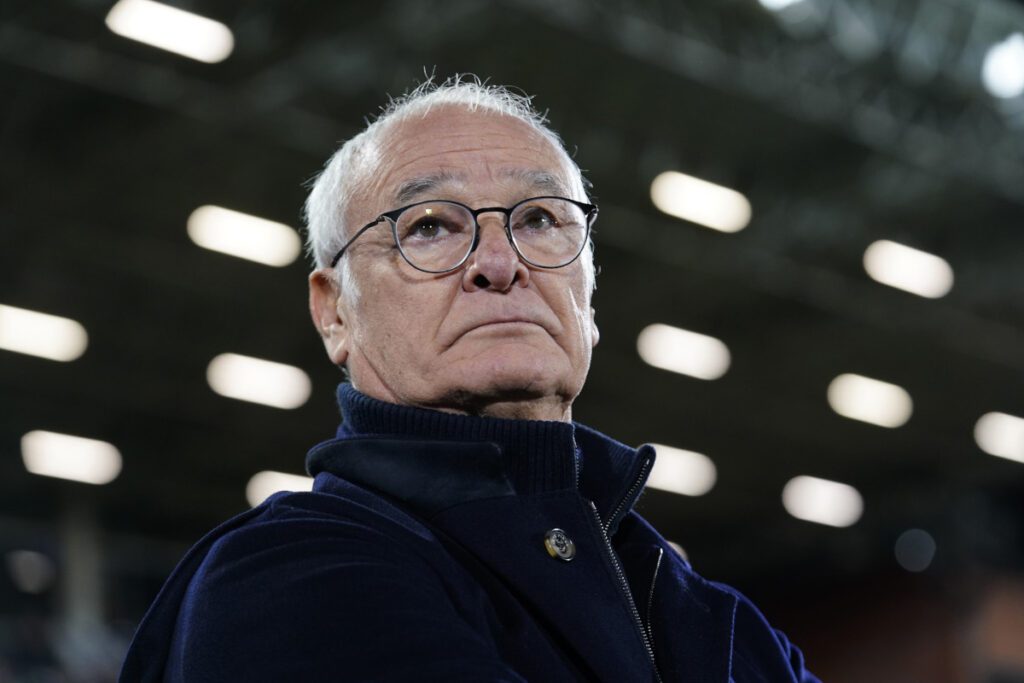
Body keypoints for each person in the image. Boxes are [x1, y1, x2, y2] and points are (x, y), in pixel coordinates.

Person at [120, 76, 820, 682]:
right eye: (429, 227)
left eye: (539, 218)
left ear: (589, 295)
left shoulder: (708, 613)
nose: (499, 262)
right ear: (335, 312)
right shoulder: (286, 576)